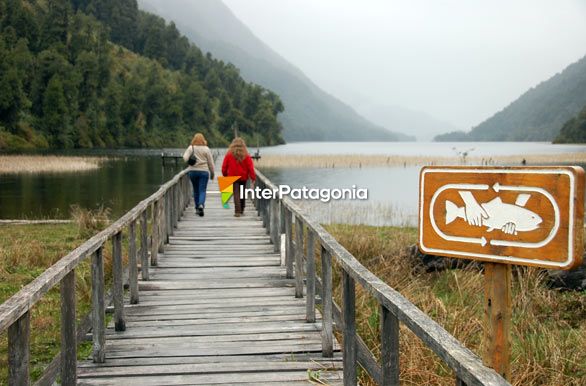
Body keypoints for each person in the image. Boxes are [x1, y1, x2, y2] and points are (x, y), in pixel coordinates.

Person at [222, 138, 256, 217]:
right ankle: (242, 209)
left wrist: (225, 174)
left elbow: (224, 166)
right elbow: (250, 167)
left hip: (232, 176)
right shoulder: (246, 155)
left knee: (236, 193)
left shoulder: (229, 155)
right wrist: (253, 178)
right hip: (243, 177)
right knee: (242, 192)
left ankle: (237, 210)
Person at [183, 133, 215, 217]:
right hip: (204, 172)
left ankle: (197, 207)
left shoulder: (191, 148)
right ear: (203, 140)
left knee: (196, 190)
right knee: (202, 190)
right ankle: (201, 205)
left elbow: (185, 158)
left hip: (193, 172)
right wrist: (212, 173)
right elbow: (211, 163)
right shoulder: (206, 149)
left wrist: (190, 161)